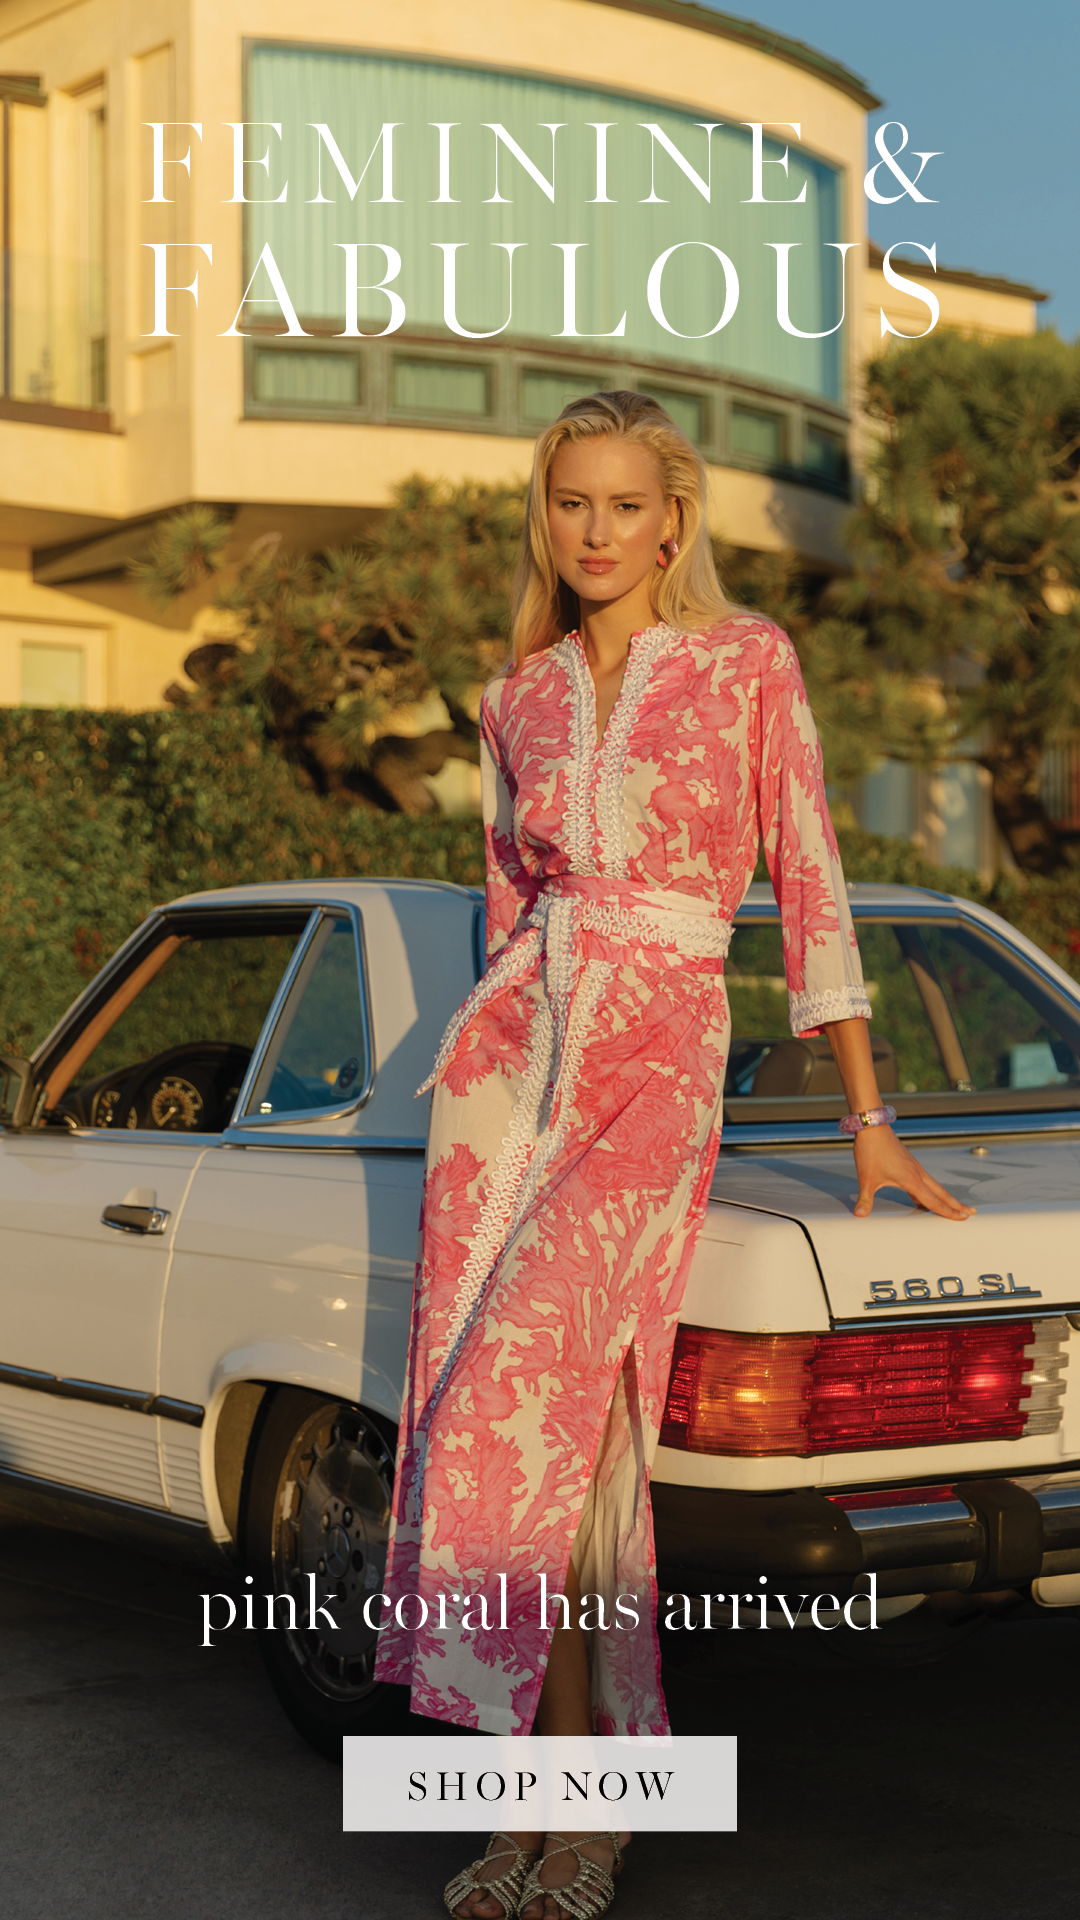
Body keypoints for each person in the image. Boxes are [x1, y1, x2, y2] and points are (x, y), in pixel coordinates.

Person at [372, 390, 976, 1920]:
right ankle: (550, 1807)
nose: (594, 531)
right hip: (506, 1073)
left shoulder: (745, 662)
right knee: (535, 1454)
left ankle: (579, 1812)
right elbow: (502, 911)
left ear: (675, 518)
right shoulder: (516, 693)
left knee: (525, 1398)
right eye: (569, 502)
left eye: (623, 505)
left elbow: (813, 878)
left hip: (657, 1049)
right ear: (546, 513)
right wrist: (467, 1058)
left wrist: (870, 1120)